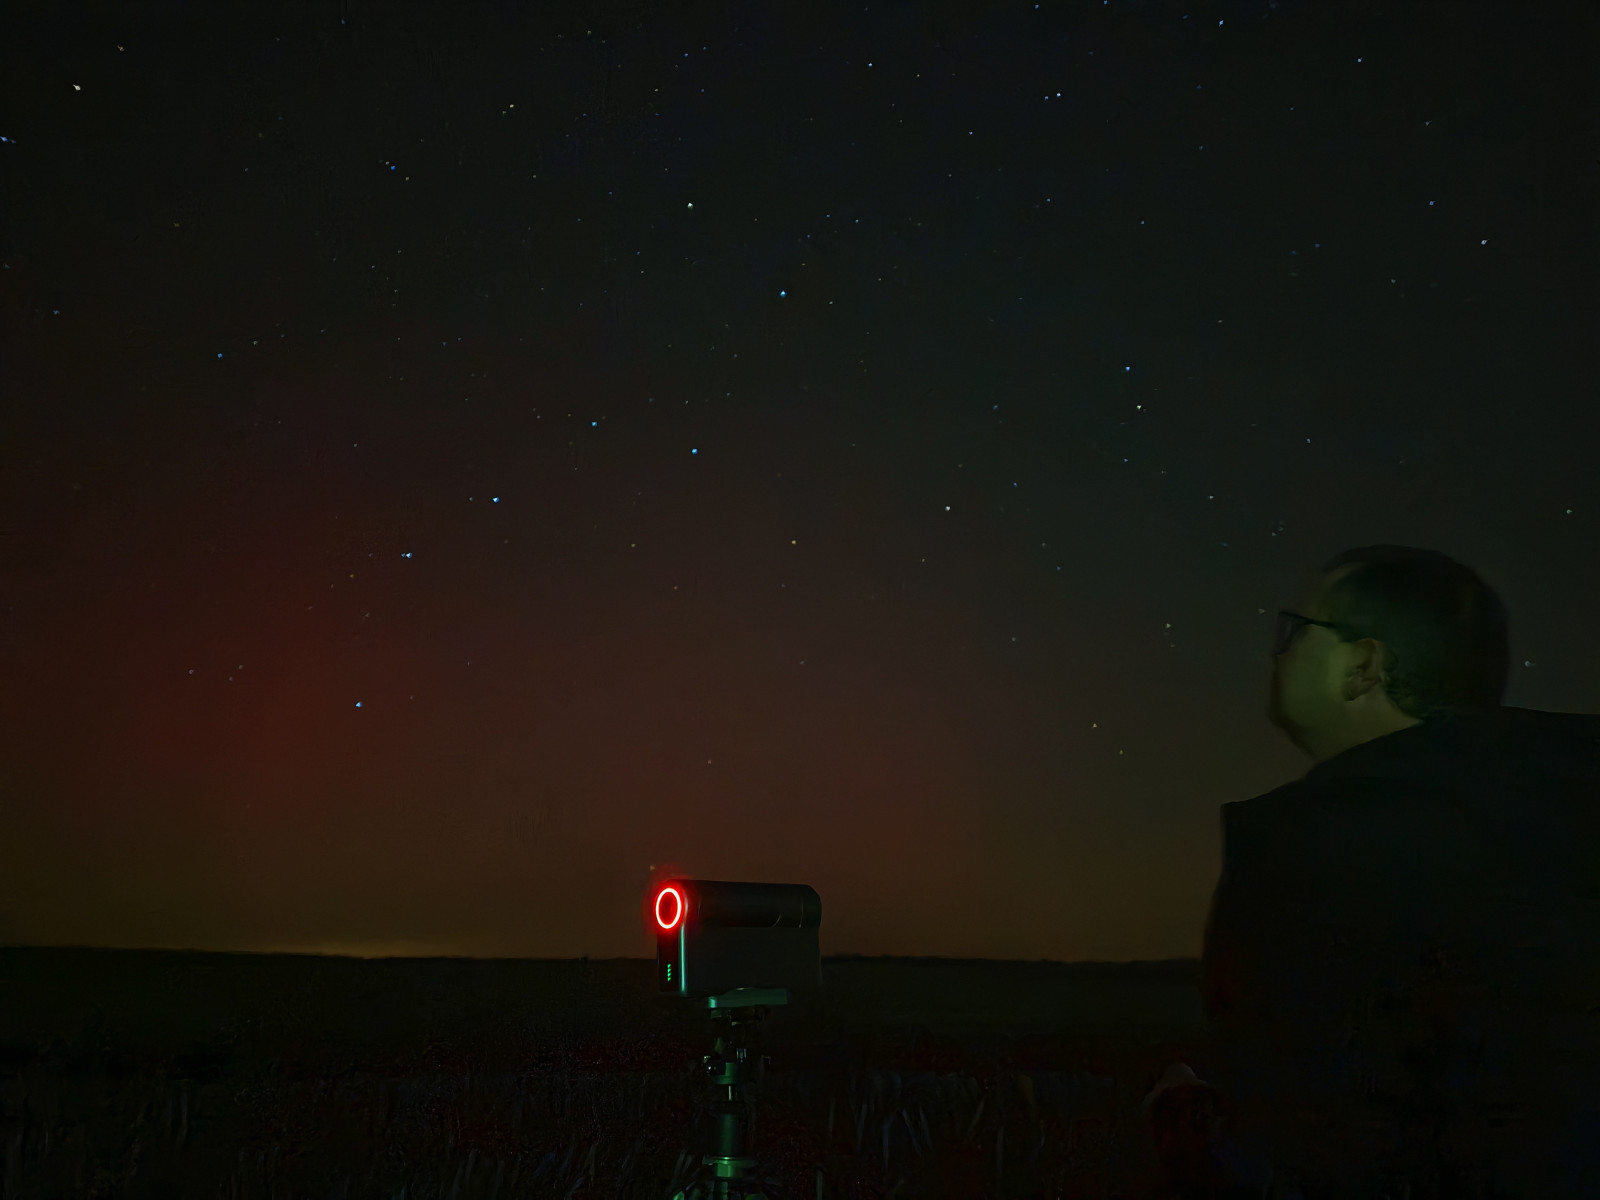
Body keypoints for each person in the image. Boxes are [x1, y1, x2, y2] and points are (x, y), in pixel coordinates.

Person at [1144, 545, 1600, 1199]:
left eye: (1296, 631)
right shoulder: (1564, 805)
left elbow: (1310, 1149)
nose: (1277, 653)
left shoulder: (1317, 852)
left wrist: (1183, 1129)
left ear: (1362, 667)